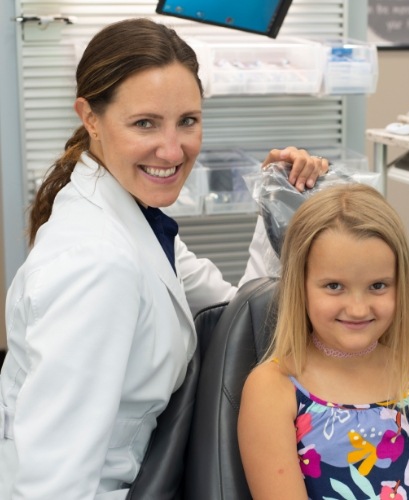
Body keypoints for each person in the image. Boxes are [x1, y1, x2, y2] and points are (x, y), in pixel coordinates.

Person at [0, 18, 328, 499]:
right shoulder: (99, 263)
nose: (173, 150)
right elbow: (53, 484)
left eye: (188, 121)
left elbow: (236, 312)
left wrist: (279, 204)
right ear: (90, 117)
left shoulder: (134, 219)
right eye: (145, 123)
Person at [238, 184, 409, 500]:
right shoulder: (274, 388)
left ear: (400, 285)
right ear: (300, 285)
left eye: (378, 286)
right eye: (334, 286)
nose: (358, 309)